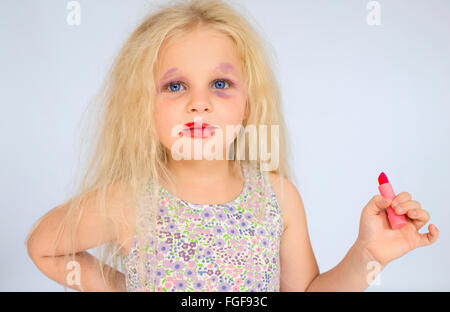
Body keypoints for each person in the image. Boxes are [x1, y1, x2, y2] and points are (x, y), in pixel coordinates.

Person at [25, 0, 439, 292]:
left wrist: (369, 255)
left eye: (220, 84)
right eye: (175, 86)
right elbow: (44, 249)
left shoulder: (276, 197)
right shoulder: (130, 200)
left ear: (247, 105)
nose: (199, 102)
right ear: (141, 109)